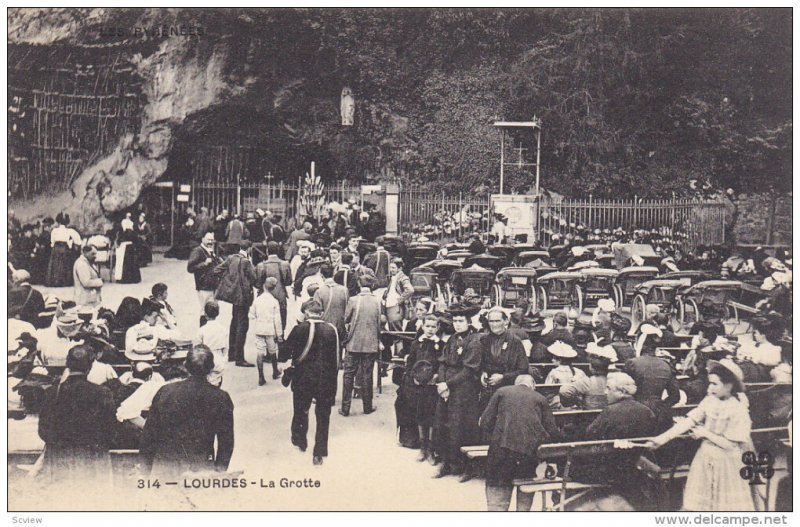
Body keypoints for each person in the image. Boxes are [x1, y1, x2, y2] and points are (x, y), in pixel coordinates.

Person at [646, 359, 756, 511]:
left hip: (726, 463)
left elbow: (731, 445)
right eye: (710, 383)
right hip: (705, 458)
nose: (710, 388)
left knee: (724, 507)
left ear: (729, 386)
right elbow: (689, 421)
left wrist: (705, 433)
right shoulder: (710, 401)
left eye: (715, 384)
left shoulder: (738, 410)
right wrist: (661, 439)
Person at [141, 347, 235, 478]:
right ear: (211, 368)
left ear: (185, 365)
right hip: (201, 469)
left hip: (165, 467)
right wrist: (218, 474)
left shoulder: (165, 392)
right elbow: (226, 444)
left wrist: (145, 474)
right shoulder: (221, 398)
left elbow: (148, 436)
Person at [479, 375, 560, 512]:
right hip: (527, 456)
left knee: (497, 498)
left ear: (516, 384)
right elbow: (552, 432)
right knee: (525, 487)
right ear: (532, 385)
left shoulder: (501, 392)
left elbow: (485, 423)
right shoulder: (540, 398)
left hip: (501, 454)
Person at [38, 345, 116, 484]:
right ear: (90, 366)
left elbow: (43, 430)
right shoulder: (102, 393)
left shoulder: (52, 392)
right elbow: (110, 430)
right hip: (92, 459)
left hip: (60, 459)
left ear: (68, 364)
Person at [282, 300, 340, 465]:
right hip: (326, 380)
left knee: (301, 410)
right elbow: (337, 359)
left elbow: (285, 352)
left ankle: (300, 440)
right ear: (321, 313)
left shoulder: (299, 329)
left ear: (306, 313)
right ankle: (319, 452)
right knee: (323, 417)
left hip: (303, 379)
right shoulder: (332, 330)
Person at [433, 305, 482, 480]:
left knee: (462, 427)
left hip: (464, 389)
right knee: (442, 424)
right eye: (455, 321)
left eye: (461, 321)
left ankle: (467, 466)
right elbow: (443, 363)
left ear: (469, 322)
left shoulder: (474, 341)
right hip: (446, 386)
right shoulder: (452, 339)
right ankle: (446, 462)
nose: (457, 324)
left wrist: (447, 384)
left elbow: (469, 370)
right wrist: (441, 382)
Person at [340, 270, 382, 416]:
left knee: (348, 375)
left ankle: (345, 408)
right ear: (371, 286)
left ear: (359, 284)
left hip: (353, 343)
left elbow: (345, 319)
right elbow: (379, 323)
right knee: (367, 375)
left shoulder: (353, 300)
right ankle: (367, 406)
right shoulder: (377, 301)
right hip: (371, 344)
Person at [402, 314, 443, 464]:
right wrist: (413, 377)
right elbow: (410, 362)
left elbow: (442, 364)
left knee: (431, 416)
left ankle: (431, 450)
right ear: (423, 327)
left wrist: (437, 376)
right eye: (428, 326)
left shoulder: (441, 345)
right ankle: (422, 447)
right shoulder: (416, 344)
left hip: (432, 386)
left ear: (437, 328)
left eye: (433, 326)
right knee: (419, 415)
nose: (430, 329)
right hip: (417, 386)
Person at [626, 326, 680, 432]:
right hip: (659, 414)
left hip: (635, 412)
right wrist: (661, 406)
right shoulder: (666, 365)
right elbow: (675, 396)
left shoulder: (632, 363)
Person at [478, 307, 530, 412]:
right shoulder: (484, 340)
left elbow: (523, 369)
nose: (494, 324)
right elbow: (480, 362)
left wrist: (503, 377)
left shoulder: (515, 341)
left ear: (506, 321)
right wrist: (482, 372)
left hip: (507, 389)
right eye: (491, 321)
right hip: (488, 391)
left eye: (497, 321)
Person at [215, 241, 257, 367]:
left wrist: (230, 280)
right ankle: (240, 358)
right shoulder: (246, 262)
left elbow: (217, 270)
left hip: (233, 296)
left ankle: (231, 354)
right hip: (243, 297)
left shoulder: (231, 258)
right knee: (242, 326)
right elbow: (254, 279)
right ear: (249, 249)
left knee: (234, 323)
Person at [585, 372, 657, 440]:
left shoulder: (610, 411)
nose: (605, 392)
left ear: (622, 391)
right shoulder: (647, 410)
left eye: (608, 388)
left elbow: (590, 434)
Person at [559, 341, 617, 410]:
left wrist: (578, 401)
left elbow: (564, 391)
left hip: (590, 417)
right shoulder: (616, 381)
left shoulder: (587, 382)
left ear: (591, 367)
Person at [250, 277, 284, 385]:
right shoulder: (274, 301)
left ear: (264, 286)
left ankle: (261, 377)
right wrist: (279, 334)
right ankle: (275, 371)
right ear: (273, 288)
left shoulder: (257, 300)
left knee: (260, 352)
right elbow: (277, 320)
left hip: (259, 328)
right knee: (273, 351)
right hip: (270, 330)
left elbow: (251, 314)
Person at [187, 232, 223, 325]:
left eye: (212, 240)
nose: (210, 242)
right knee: (205, 310)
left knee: (213, 310)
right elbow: (190, 268)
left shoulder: (211, 251)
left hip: (213, 286)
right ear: (202, 239)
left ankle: (210, 332)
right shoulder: (197, 251)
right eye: (208, 240)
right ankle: (203, 332)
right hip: (204, 287)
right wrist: (204, 264)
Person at [255, 242, 291, 331]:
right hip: (280, 295)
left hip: (264, 296)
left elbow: (257, 284)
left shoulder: (261, 266)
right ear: (278, 251)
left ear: (267, 251)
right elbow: (288, 282)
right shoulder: (285, 264)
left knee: (264, 319)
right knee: (281, 317)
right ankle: (280, 336)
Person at [543, 341, 588, 409]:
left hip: (561, 406)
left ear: (560, 360)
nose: (552, 360)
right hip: (578, 405)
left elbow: (548, 391)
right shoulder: (580, 372)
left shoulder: (554, 373)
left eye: (554, 358)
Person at [195, 301, 229, 387]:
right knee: (217, 383)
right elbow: (225, 348)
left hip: (205, 358)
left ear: (205, 314)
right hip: (219, 358)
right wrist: (223, 359)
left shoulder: (202, 330)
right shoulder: (223, 329)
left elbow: (196, 347)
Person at [313, 263, 349, 339]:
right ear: (334, 273)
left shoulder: (319, 292)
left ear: (321, 275)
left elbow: (316, 311)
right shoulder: (344, 290)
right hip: (341, 326)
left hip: (325, 327)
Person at [382, 258, 415, 338]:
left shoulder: (403, 278)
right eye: (390, 267)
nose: (391, 270)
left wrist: (399, 300)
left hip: (396, 308)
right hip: (391, 307)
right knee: (393, 332)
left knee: (397, 334)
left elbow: (410, 290)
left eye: (393, 268)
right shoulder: (393, 277)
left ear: (399, 268)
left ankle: (399, 350)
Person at [47, 213, 82, 287]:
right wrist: (70, 244)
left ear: (58, 222)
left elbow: (52, 242)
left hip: (56, 248)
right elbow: (78, 241)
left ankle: (55, 281)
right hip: (64, 248)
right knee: (65, 264)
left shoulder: (54, 231)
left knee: (56, 264)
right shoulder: (70, 231)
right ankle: (65, 282)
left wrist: (53, 246)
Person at [114, 218, 141, 284]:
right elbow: (137, 240)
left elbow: (119, 240)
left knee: (124, 264)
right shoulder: (133, 232)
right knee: (132, 263)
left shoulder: (122, 232)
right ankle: (134, 278)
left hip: (123, 249)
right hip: (131, 248)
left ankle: (124, 279)